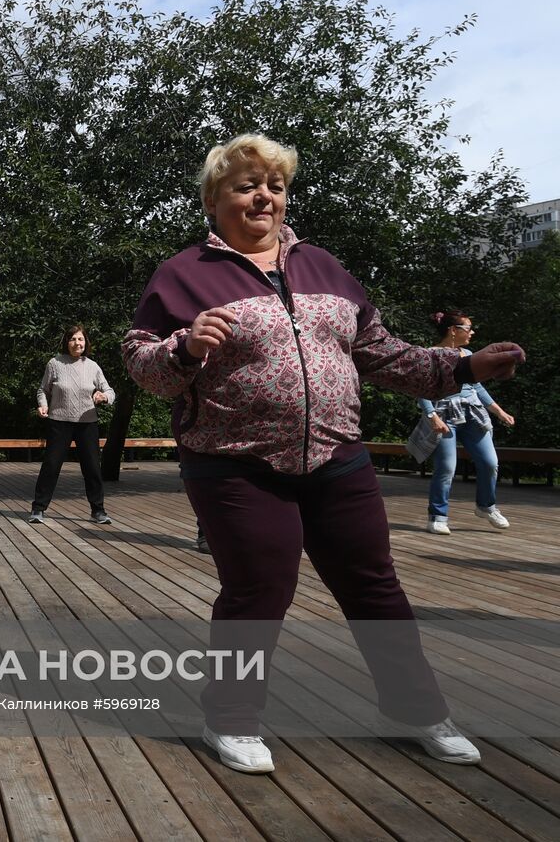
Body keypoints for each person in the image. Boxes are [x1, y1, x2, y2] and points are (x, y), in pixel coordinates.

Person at [122, 133, 526, 775]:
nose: (264, 196)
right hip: (235, 462)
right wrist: (185, 348)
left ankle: (419, 711)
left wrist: (465, 364)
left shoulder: (324, 267)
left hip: (338, 456)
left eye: (275, 186)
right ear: (214, 199)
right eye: (247, 185)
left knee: (374, 588)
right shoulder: (184, 274)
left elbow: (384, 354)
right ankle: (229, 719)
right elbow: (142, 364)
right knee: (259, 589)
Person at [419, 310, 515, 535]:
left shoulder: (469, 354)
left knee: (490, 463)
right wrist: (431, 415)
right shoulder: (430, 354)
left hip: (474, 415)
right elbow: (420, 387)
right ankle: (438, 516)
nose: (472, 333)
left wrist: (499, 412)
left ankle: (486, 506)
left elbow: (478, 387)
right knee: (446, 468)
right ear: (453, 330)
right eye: (468, 328)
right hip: (444, 415)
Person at [29, 324, 117, 525]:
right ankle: (38, 509)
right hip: (59, 422)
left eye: (80, 339)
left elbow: (110, 392)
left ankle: (98, 511)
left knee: (92, 468)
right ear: (66, 342)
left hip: (87, 423)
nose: (77, 343)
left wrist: (104, 397)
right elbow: (43, 390)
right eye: (73, 339)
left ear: (86, 343)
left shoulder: (93, 366)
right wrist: (43, 405)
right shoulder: (55, 364)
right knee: (51, 465)